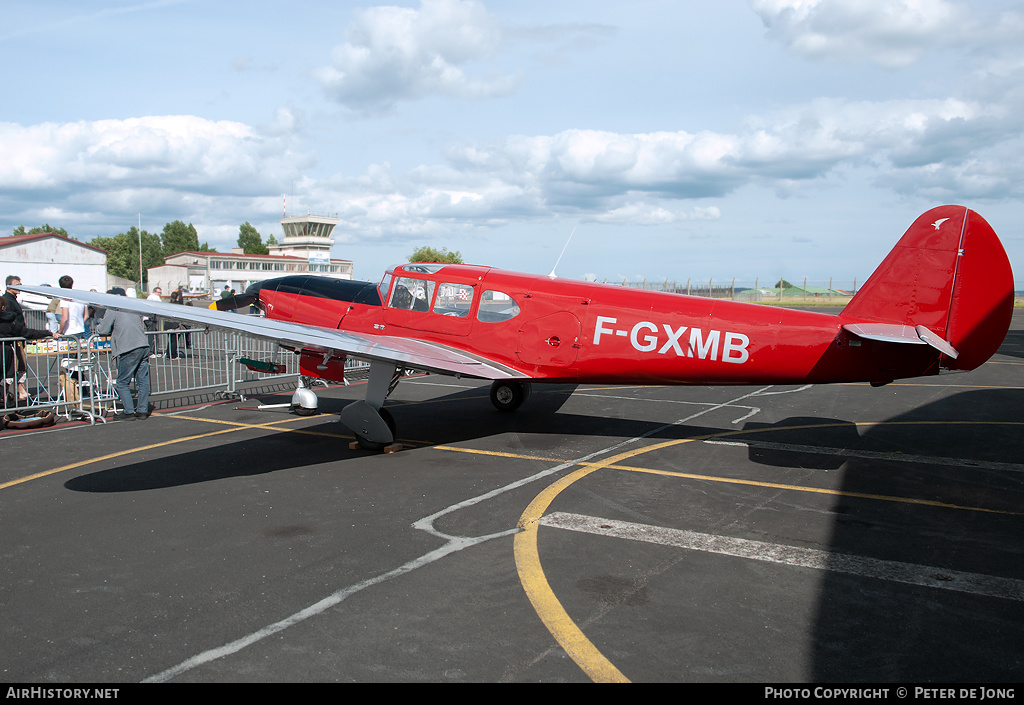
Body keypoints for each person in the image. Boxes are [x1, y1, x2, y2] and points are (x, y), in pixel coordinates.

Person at [94, 287, 150, 420]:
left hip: (129, 347)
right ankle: (142, 410)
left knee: (122, 382)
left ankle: (129, 411)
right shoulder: (132, 307)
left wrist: (98, 322)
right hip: (143, 344)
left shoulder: (114, 308)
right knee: (142, 381)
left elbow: (103, 330)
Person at [0, 295, 54, 405]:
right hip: (4, 354)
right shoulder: (8, 323)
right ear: (3, 308)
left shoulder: (8, 322)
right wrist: (49, 333)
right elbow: (28, 333)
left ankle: (7, 400)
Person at [57, 275, 88, 341]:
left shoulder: (64, 299)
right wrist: (80, 322)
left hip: (69, 331)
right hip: (80, 329)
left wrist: (60, 330)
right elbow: (86, 315)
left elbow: (65, 318)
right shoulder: (81, 298)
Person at [145, 287, 163, 357]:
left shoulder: (152, 297)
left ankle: (155, 351)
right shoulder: (153, 297)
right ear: (154, 292)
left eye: (160, 293)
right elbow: (161, 303)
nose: (159, 294)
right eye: (158, 292)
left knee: (155, 335)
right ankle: (150, 352)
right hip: (150, 319)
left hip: (152, 318)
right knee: (151, 335)